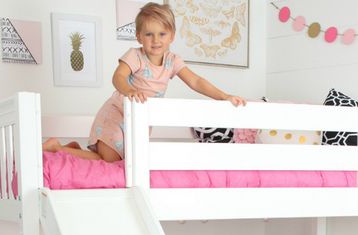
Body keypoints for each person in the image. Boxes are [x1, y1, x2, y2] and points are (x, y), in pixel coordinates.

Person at [42, 2, 246, 163]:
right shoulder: (135, 56)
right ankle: (57, 148)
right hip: (117, 114)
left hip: (139, 121)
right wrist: (129, 90)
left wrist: (225, 96)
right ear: (139, 36)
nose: (155, 40)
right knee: (109, 160)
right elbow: (118, 77)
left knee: (126, 161)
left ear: (172, 36)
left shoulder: (172, 61)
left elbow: (196, 81)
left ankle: (72, 150)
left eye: (162, 34)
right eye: (149, 34)